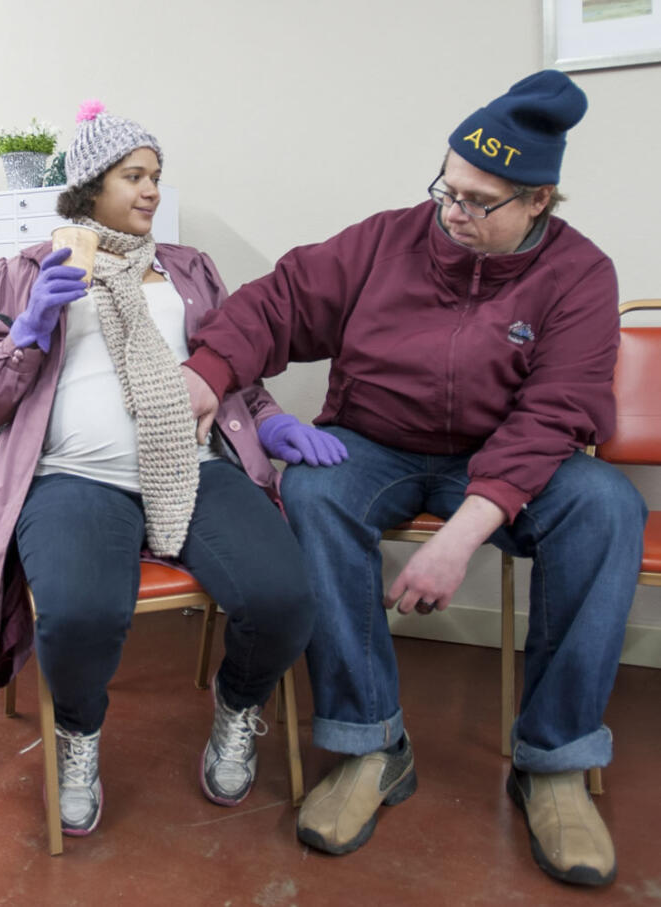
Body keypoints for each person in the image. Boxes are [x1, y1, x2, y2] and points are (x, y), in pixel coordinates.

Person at [181, 70, 646, 887]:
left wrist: (464, 534)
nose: (452, 212)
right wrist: (209, 372)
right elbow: (280, 302)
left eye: (478, 201)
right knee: (315, 492)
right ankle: (369, 745)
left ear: (538, 201)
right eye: (447, 189)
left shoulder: (581, 275)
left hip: (505, 455)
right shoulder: (385, 242)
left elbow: (556, 412)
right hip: (378, 444)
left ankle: (554, 761)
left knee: (607, 506)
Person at [0, 102, 341, 838]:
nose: (152, 189)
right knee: (79, 612)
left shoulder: (190, 270)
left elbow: (238, 373)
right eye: (134, 175)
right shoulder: (32, 269)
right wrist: (30, 329)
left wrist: (272, 421)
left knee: (285, 595)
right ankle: (78, 734)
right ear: (91, 185)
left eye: (156, 175)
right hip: (73, 478)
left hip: (192, 465)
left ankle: (237, 707)